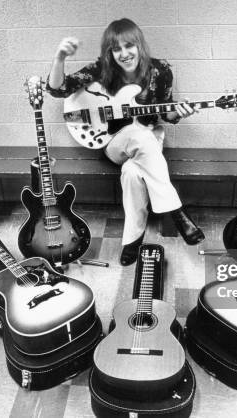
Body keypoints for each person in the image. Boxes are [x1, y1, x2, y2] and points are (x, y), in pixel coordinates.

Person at [47, 18, 204, 266]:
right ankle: (176, 211)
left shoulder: (160, 71)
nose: (124, 54)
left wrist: (180, 112)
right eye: (116, 49)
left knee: (132, 172)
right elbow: (58, 90)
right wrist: (59, 58)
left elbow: (166, 113)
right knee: (138, 135)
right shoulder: (102, 70)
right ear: (110, 53)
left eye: (128, 46)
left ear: (139, 45)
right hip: (113, 142)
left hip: (150, 139)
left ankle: (132, 239)